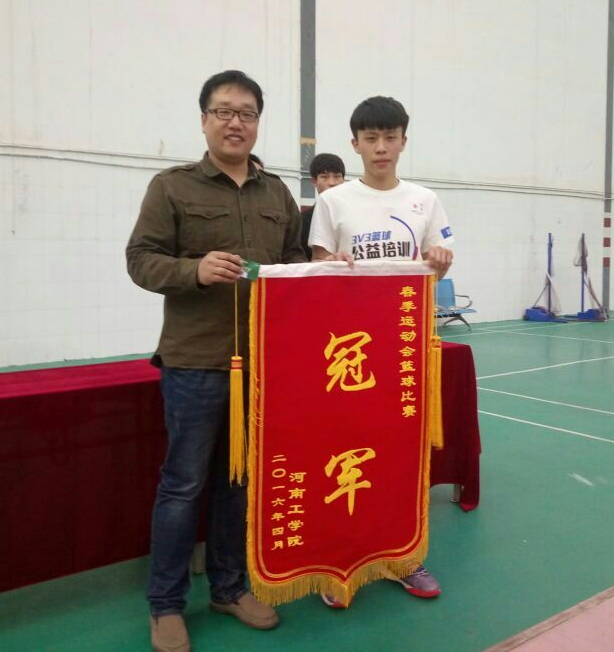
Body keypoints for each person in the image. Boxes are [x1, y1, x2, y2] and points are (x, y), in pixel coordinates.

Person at [126, 70, 306, 652]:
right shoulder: (172, 187)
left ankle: (229, 588)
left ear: (257, 123)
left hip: (261, 366)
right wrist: (194, 270)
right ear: (204, 119)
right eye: (224, 111)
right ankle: (165, 604)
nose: (236, 122)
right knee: (183, 485)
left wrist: (331, 270)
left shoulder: (276, 194)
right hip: (196, 363)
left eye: (247, 113)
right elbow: (140, 260)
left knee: (239, 483)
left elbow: (294, 264)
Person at [308, 95, 453, 607]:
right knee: (343, 453)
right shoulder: (334, 202)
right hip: (347, 354)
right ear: (355, 145)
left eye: (390, 137)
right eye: (371, 138)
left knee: (400, 455)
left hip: (403, 350)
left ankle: (403, 556)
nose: (381, 147)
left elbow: (440, 262)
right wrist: (332, 263)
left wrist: (440, 259)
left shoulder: (425, 201)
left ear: (403, 142)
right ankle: (339, 560)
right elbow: (317, 269)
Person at [300, 153, 346, 258]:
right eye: (324, 177)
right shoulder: (302, 221)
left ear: (343, 179)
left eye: (337, 176)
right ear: (314, 181)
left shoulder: (354, 214)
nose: (332, 183)